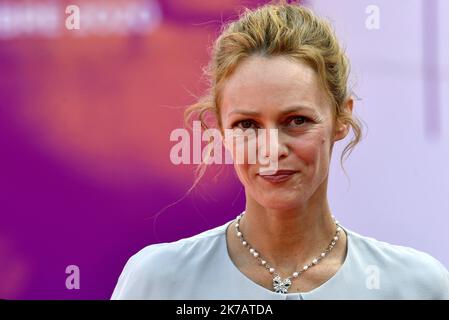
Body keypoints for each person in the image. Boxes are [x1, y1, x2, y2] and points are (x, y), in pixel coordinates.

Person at [111, 1, 449, 299]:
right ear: (220, 130)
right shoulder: (159, 280)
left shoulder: (416, 286)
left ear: (341, 118)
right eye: (247, 125)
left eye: (296, 120)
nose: (271, 150)